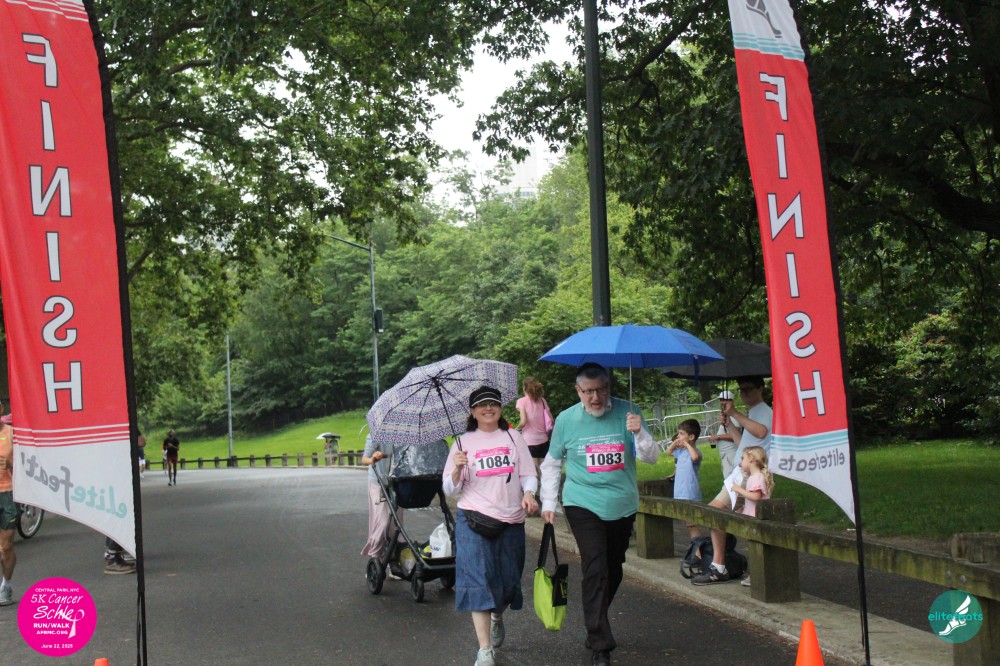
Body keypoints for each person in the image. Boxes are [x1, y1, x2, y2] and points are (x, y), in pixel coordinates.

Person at [539, 363, 658, 666]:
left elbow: (652, 457)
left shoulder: (628, 412)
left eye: (601, 389)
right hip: (582, 502)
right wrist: (549, 503)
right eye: (589, 391)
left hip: (621, 504)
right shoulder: (566, 420)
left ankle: (595, 621)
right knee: (596, 568)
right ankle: (600, 645)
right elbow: (552, 463)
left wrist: (640, 432)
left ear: (609, 388)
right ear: (578, 391)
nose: (596, 397)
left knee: (613, 568)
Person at [443, 386, 538, 666]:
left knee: (508, 583)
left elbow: (528, 474)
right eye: (482, 405)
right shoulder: (462, 443)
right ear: (473, 411)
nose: (488, 408)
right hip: (473, 518)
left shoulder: (513, 437)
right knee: (478, 582)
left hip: (511, 520)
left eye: (493, 403)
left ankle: (498, 614)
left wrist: (529, 493)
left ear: (500, 408)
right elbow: (449, 489)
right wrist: (458, 469)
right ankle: (484, 650)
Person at [692, 375, 772, 585]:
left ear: (761, 389)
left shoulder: (764, 411)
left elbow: (761, 432)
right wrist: (730, 425)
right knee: (728, 516)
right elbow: (744, 444)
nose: (744, 393)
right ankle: (725, 564)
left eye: (749, 389)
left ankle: (721, 565)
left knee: (722, 513)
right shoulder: (753, 413)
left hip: (749, 477)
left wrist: (735, 413)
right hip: (740, 474)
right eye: (741, 390)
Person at [360, 434, 405, 578]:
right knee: (382, 522)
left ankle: (393, 561)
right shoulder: (375, 435)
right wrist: (373, 458)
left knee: (395, 524)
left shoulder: (403, 434)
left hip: (396, 481)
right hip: (378, 482)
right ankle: (375, 560)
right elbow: (364, 459)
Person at [730, 446, 774, 587]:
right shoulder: (753, 477)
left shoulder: (757, 477)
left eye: (743, 458)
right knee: (754, 547)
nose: (740, 462)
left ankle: (757, 576)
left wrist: (739, 489)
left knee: (757, 549)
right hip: (753, 516)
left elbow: (755, 496)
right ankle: (755, 575)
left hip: (757, 518)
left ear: (751, 459)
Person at [666, 418, 702, 542]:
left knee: (691, 524)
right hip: (680, 492)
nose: (678, 436)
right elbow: (668, 451)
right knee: (688, 523)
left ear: (691, 437)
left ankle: (698, 548)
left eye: (681, 434)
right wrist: (676, 442)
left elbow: (695, 457)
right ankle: (696, 547)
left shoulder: (695, 452)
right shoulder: (680, 452)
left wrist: (686, 444)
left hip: (690, 493)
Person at [514, 377, 554, 482]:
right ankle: (546, 489)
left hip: (530, 442)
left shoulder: (521, 401)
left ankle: (537, 490)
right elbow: (551, 419)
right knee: (545, 471)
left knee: (534, 472)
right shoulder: (542, 400)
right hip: (544, 440)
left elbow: (523, 421)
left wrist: (516, 429)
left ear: (524, 388)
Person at [0, 409, 16, 606]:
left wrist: (10, 462)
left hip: (8, 494)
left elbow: (28, 465)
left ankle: (6, 585)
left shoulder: (11, 434)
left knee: (6, 546)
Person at [707, 390, 741, 478]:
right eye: (721, 400)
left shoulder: (733, 416)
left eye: (726, 400)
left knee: (732, 480)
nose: (723, 402)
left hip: (731, 454)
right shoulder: (726, 415)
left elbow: (736, 435)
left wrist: (718, 437)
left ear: (732, 401)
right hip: (726, 455)